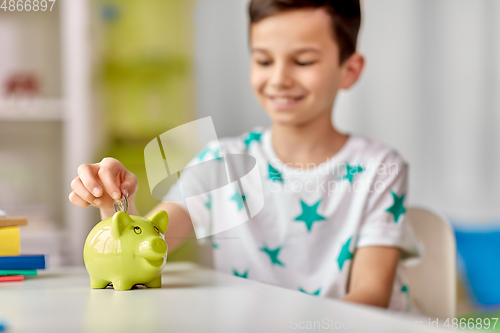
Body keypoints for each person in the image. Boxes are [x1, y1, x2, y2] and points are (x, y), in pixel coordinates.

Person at [69, 0, 421, 312]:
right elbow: (141, 254)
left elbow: (370, 297)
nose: (279, 78)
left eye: (303, 61)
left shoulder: (379, 168)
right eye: (264, 60)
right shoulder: (220, 163)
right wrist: (113, 199)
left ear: (350, 70)